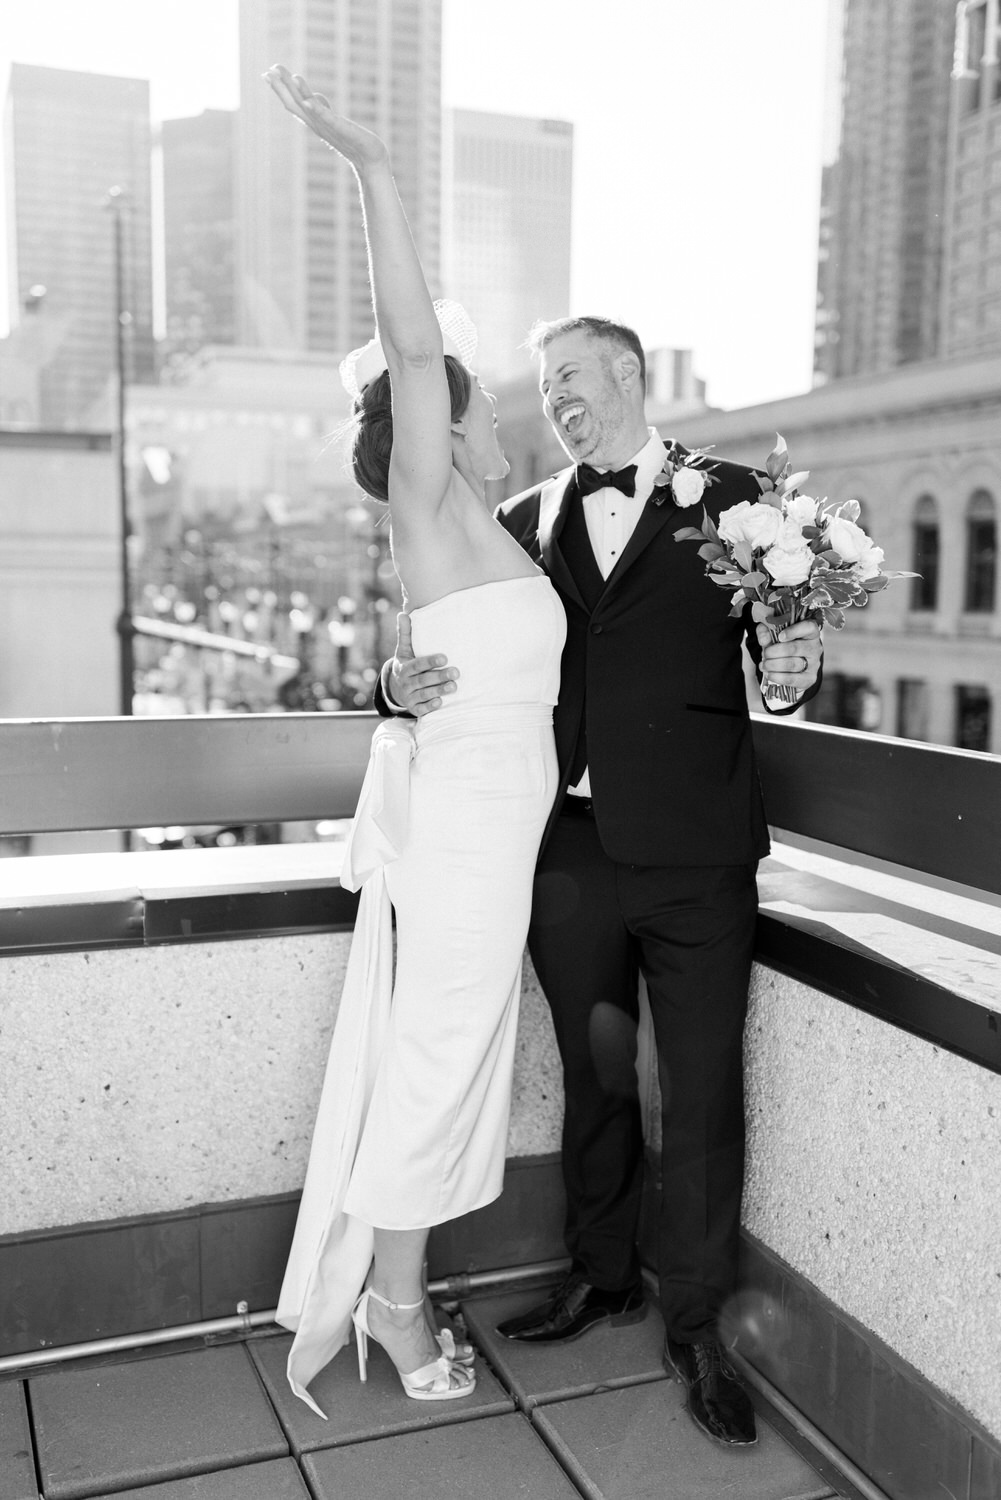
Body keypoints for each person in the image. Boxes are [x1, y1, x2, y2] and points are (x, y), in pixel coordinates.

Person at [381, 315, 823, 1448]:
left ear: (627, 372)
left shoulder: (742, 501)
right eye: (544, 386)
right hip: (566, 855)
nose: (558, 400)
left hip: (697, 853)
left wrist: (793, 669)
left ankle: (696, 1323)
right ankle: (601, 1274)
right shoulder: (520, 520)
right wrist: (394, 680)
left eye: (572, 376)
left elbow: (785, 648)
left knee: (702, 1086)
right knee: (594, 1080)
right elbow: (450, 632)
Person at [264, 66, 565, 1418]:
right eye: (469, 400)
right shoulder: (433, 502)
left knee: (455, 1051)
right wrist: (375, 168)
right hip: (464, 830)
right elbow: (412, 328)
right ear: (433, 424)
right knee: (443, 1058)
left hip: (493, 819)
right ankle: (390, 1306)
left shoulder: (486, 534)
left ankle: (397, 1284)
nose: (496, 413)